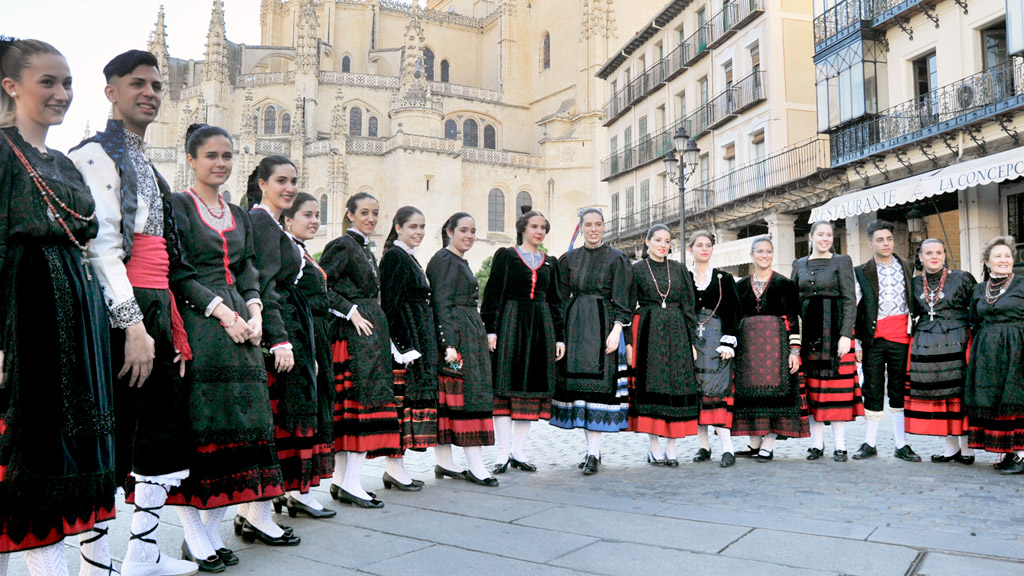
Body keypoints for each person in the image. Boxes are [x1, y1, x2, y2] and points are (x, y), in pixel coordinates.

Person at [69, 49, 198, 576]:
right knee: (110, 430)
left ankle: (142, 552)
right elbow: (101, 246)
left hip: (153, 304)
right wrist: (134, 325)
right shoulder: (96, 153)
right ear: (111, 92)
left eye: (156, 85)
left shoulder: (141, 157)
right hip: (124, 307)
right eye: (137, 84)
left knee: (155, 433)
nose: (150, 93)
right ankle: (95, 562)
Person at [0, 37, 116, 576]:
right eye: (47, 81)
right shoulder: (1, 152)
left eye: (67, 82)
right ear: (11, 86)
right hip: (26, 312)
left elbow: (91, 244)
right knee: (28, 451)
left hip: (76, 308)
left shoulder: (66, 164)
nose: (61, 93)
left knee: (71, 447)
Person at [169, 124, 291, 571]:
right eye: (211, 156)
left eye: (227, 155)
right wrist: (223, 313)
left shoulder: (238, 214)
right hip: (202, 324)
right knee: (203, 433)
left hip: (244, 330)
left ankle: (211, 531)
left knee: (241, 433)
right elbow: (178, 273)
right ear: (192, 159)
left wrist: (255, 313)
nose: (220, 163)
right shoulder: (178, 206)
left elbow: (249, 269)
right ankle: (195, 536)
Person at [247, 156, 334, 525]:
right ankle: (257, 512)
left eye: (294, 180)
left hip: (292, 327)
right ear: (263, 183)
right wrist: (281, 340)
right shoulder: (262, 223)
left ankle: (265, 507)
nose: (290, 187)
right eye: (281, 180)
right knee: (279, 420)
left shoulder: (268, 224)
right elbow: (266, 285)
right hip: (281, 331)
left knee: (288, 416)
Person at [321, 192, 400, 508]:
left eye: (375, 213)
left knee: (360, 404)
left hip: (369, 336)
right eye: (364, 212)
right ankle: (350, 482)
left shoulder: (363, 247)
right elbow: (321, 284)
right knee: (358, 406)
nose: (370, 218)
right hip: (353, 338)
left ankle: (343, 481)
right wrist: (349, 310)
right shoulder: (343, 245)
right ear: (350, 214)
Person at [481, 207, 565, 474]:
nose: (539, 231)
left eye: (543, 228)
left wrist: (559, 337)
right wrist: (490, 330)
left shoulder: (550, 262)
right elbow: (493, 294)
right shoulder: (506, 256)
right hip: (511, 323)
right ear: (523, 229)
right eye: (534, 227)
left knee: (528, 389)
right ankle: (502, 453)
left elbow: (556, 302)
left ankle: (518, 451)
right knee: (505, 386)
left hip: (541, 327)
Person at [550, 208, 630, 475]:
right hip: (576, 326)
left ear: (604, 227)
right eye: (588, 225)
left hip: (604, 324)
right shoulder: (568, 259)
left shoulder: (617, 258)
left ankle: (594, 453)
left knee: (599, 390)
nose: (593, 229)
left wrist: (617, 329)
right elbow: (559, 299)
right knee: (581, 392)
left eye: (598, 224)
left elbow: (623, 298)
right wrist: (561, 335)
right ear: (581, 227)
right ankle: (590, 451)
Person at [426, 213, 498, 486]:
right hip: (458, 346)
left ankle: (444, 462)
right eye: (463, 230)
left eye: (473, 231)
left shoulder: (455, 259)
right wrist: (450, 346)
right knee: (466, 393)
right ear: (449, 231)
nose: (469, 235)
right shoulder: (444, 261)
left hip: (468, 337)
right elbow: (442, 304)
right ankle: (476, 466)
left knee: (455, 395)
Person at [281, 193, 338, 507]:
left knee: (311, 412)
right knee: (301, 413)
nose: (315, 220)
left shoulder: (299, 250)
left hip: (315, 333)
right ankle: (297, 490)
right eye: (307, 214)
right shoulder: (290, 252)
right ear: (288, 219)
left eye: (317, 214)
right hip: (304, 335)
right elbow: (287, 299)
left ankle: (296, 489)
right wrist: (305, 351)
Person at [626, 225, 700, 466]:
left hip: (678, 332)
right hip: (648, 332)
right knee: (653, 385)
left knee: (677, 385)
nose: (662, 244)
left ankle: (672, 446)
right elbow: (627, 307)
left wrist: (692, 342)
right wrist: (629, 343)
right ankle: (654, 446)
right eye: (658, 240)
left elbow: (689, 308)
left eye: (667, 241)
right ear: (647, 241)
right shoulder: (636, 270)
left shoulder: (679, 270)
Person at [791, 221, 863, 461]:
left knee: (836, 391)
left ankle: (840, 446)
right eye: (820, 234)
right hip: (808, 335)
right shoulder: (798, 264)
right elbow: (793, 302)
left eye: (829, 235)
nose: (824, 238)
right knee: (813, 390)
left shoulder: (842, 261)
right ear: (810, 237)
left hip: (835, 335)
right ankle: (816, 444)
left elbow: (850, 300)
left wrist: (846, 335)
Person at [732, 237, 808, 461]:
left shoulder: (785, 284)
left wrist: (794, 351)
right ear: (751, 255)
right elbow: (735, 318)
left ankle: (769, 442)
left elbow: (793, 319)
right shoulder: (741, 286)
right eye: (760, 252)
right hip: (748, 351)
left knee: (778, 396)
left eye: (768, 252)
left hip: (777, 349)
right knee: (751, 395)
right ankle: (754, 443)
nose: (764, 255)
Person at [379, 206, 439, 490]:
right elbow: (390, 303)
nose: (419, 232)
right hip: (406, 340)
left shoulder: (409, 257)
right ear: (398, 227)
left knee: (408, 403)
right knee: (400, 403)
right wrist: (403, 345)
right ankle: (394, 467)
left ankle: (397, 466)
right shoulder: (394, 256)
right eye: (413, 226)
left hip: (418, 334)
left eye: (422, 226)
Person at [852, 220, 920, 462]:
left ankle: (901, 444)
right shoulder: (860, 271)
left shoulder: (909, 266)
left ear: (894, 241)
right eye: (880, 240)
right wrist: (856, 342)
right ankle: (870, 443)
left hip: (902, 336)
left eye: (889, 239)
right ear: (871, 243)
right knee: (872, 388)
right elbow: (855, 308)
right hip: (873, 338)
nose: (885, 243)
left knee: (899, 389)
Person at [905, 238, 976, 464]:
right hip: (926, 343)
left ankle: (966, 448)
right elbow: (913, 311)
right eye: (929, 253)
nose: (934, 256)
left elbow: (975, 308)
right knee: (938, 395)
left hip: (957, 340)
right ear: (921, 257)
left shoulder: (962, 278)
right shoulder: (915, 283)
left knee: (958, 394)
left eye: (938, 252)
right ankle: (950, 448)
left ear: (944, 255)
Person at [965, 236, 1024, 474]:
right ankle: (1010, 453)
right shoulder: (979, 289)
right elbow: (973, 320)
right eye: (998, 256)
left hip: (1017, 347)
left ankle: (1022, 455)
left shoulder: (1021, 284)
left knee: (1017, 397)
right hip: (988, 352)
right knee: (998, 400)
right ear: (987, 262)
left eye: (1007, 256)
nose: (1004, 260)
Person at [688, 231, 740, 468]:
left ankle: (728, 448)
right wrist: (687, 341)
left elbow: (732, 311)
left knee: (719, 390)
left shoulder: (723, 278)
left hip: (718, 340)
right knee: (698, 392)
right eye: (699, 245)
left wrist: (729, 341)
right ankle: (703, 445)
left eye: (708, 245)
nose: (704, 249)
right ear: (691, 250)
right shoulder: (685, 277)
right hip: (694, 342)